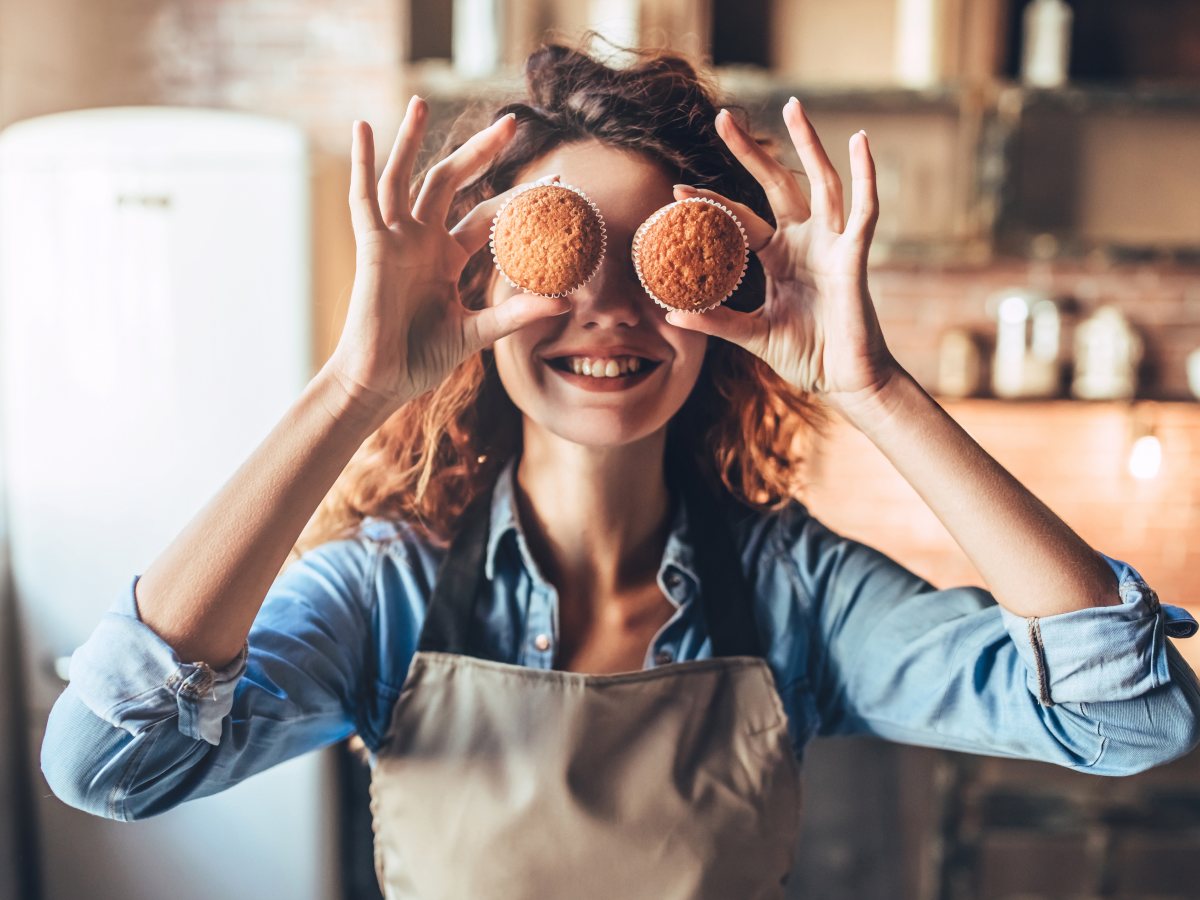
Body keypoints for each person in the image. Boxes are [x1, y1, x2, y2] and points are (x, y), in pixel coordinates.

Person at [42, 41, 1200, 899]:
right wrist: (354, 390)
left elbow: (1127, 721)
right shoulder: (382, 600)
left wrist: (875, 387)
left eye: (655, 264)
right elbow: (109, 766)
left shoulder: (797, 595)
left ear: (717, 303)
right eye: (563, 256)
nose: (607, 314)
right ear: (484, 292)